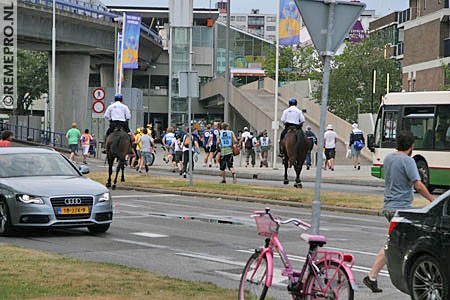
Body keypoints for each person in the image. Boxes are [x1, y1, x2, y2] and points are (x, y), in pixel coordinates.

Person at [363, 130, 435, 293]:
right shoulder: (408, 161)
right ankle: (416, 280)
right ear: (411, 146)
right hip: (401, 209)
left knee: (394, 243)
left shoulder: (389, 158)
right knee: (405, 244)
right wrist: (433, 200)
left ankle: (372, 277)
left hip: (389, 206)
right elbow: (418, 184)